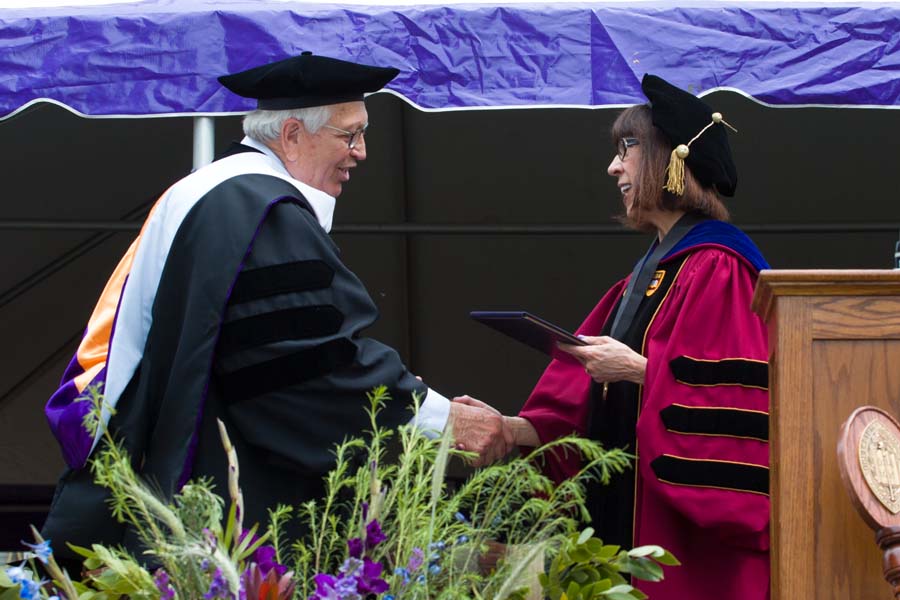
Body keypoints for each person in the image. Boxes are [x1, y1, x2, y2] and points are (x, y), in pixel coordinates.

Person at [41, 52, 512, 561]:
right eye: (349, 135)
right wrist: (439, 418)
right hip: (225, 492)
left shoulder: (209, 192)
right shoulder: (260, 211)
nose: (362, 152)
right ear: (291, 135)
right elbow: (306, 365)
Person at [479, 74, 771, 599]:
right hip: (623, 526)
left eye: (627, 148)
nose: (613, 166)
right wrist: (511, 429)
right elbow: (582, 394)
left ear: (671, 158)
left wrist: (639, 369)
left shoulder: (719, 269)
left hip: (688, 551)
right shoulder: (646, 277)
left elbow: (737, 405)